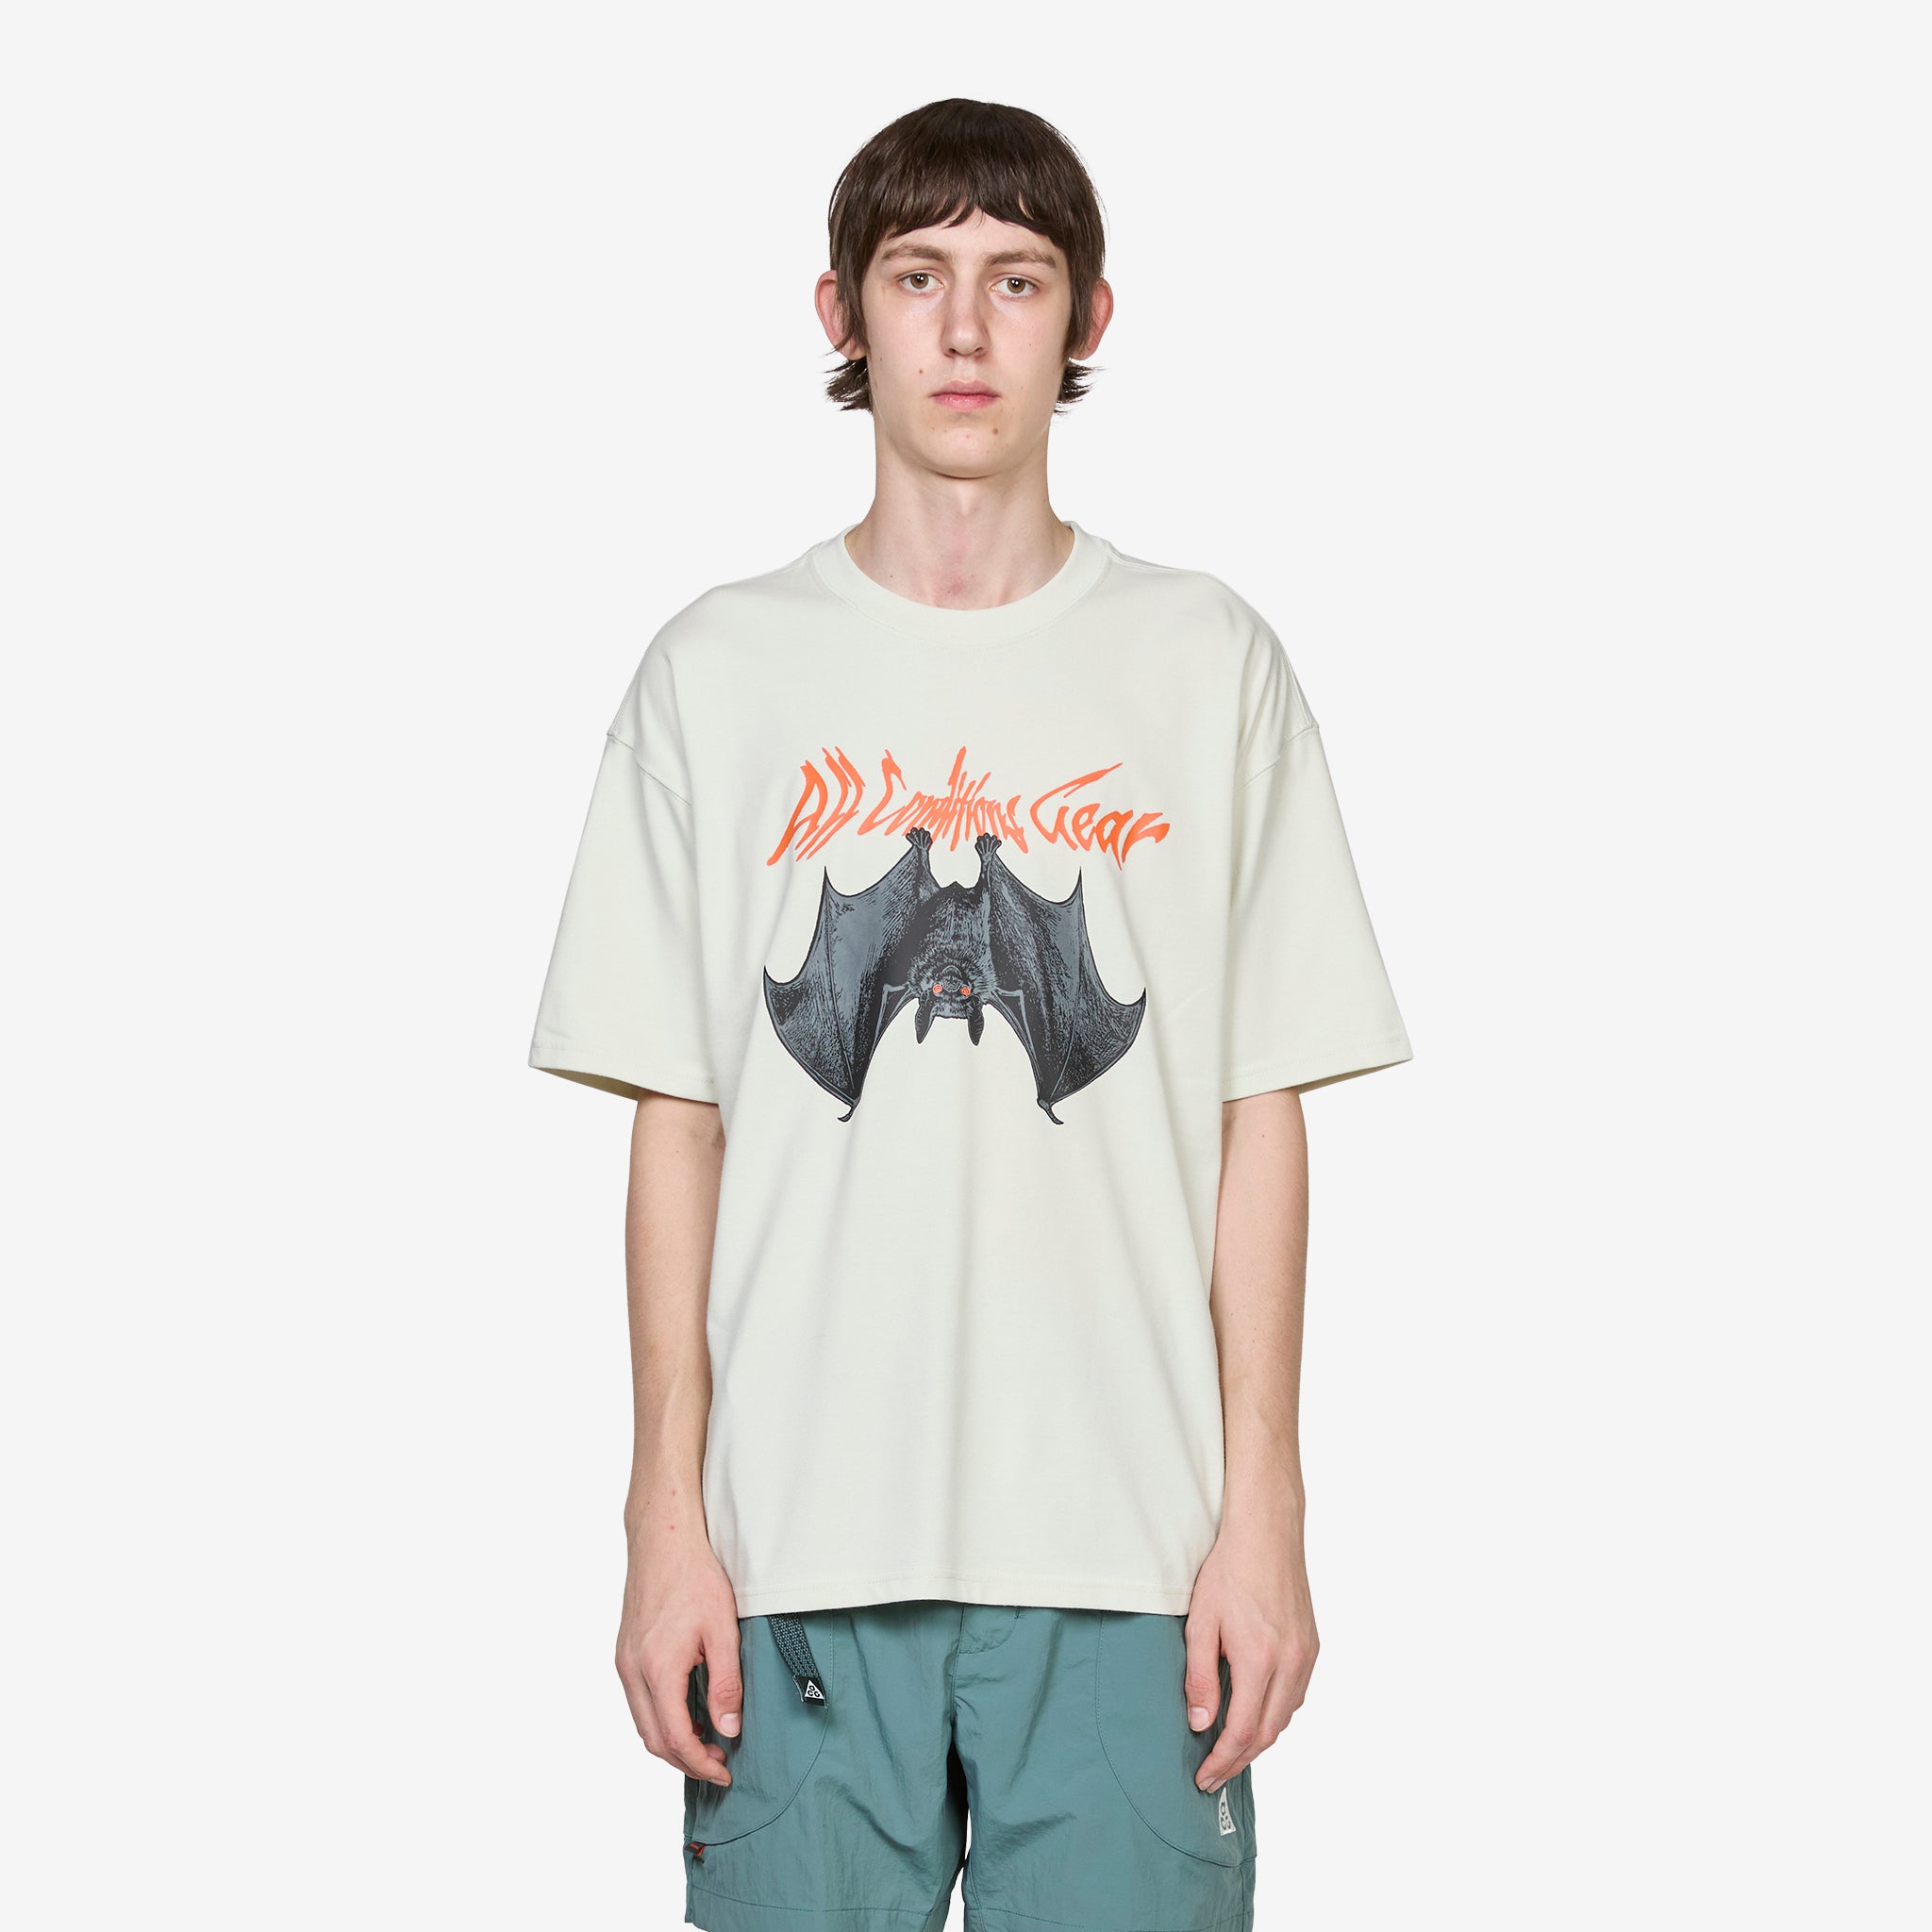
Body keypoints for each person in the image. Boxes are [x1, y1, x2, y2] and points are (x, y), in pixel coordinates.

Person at [528, 96, 1412, 1932]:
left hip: (1130, 1549)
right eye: (916, 274)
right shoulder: (717, 670)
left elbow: (1257, 1111)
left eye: (1015, 279)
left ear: (1086, 317)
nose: (961, 325)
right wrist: (661, 1517)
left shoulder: (1204, 660)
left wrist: (1265, 1511)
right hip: (794, 1552)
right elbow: (681, 1118)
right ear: (840, 312)